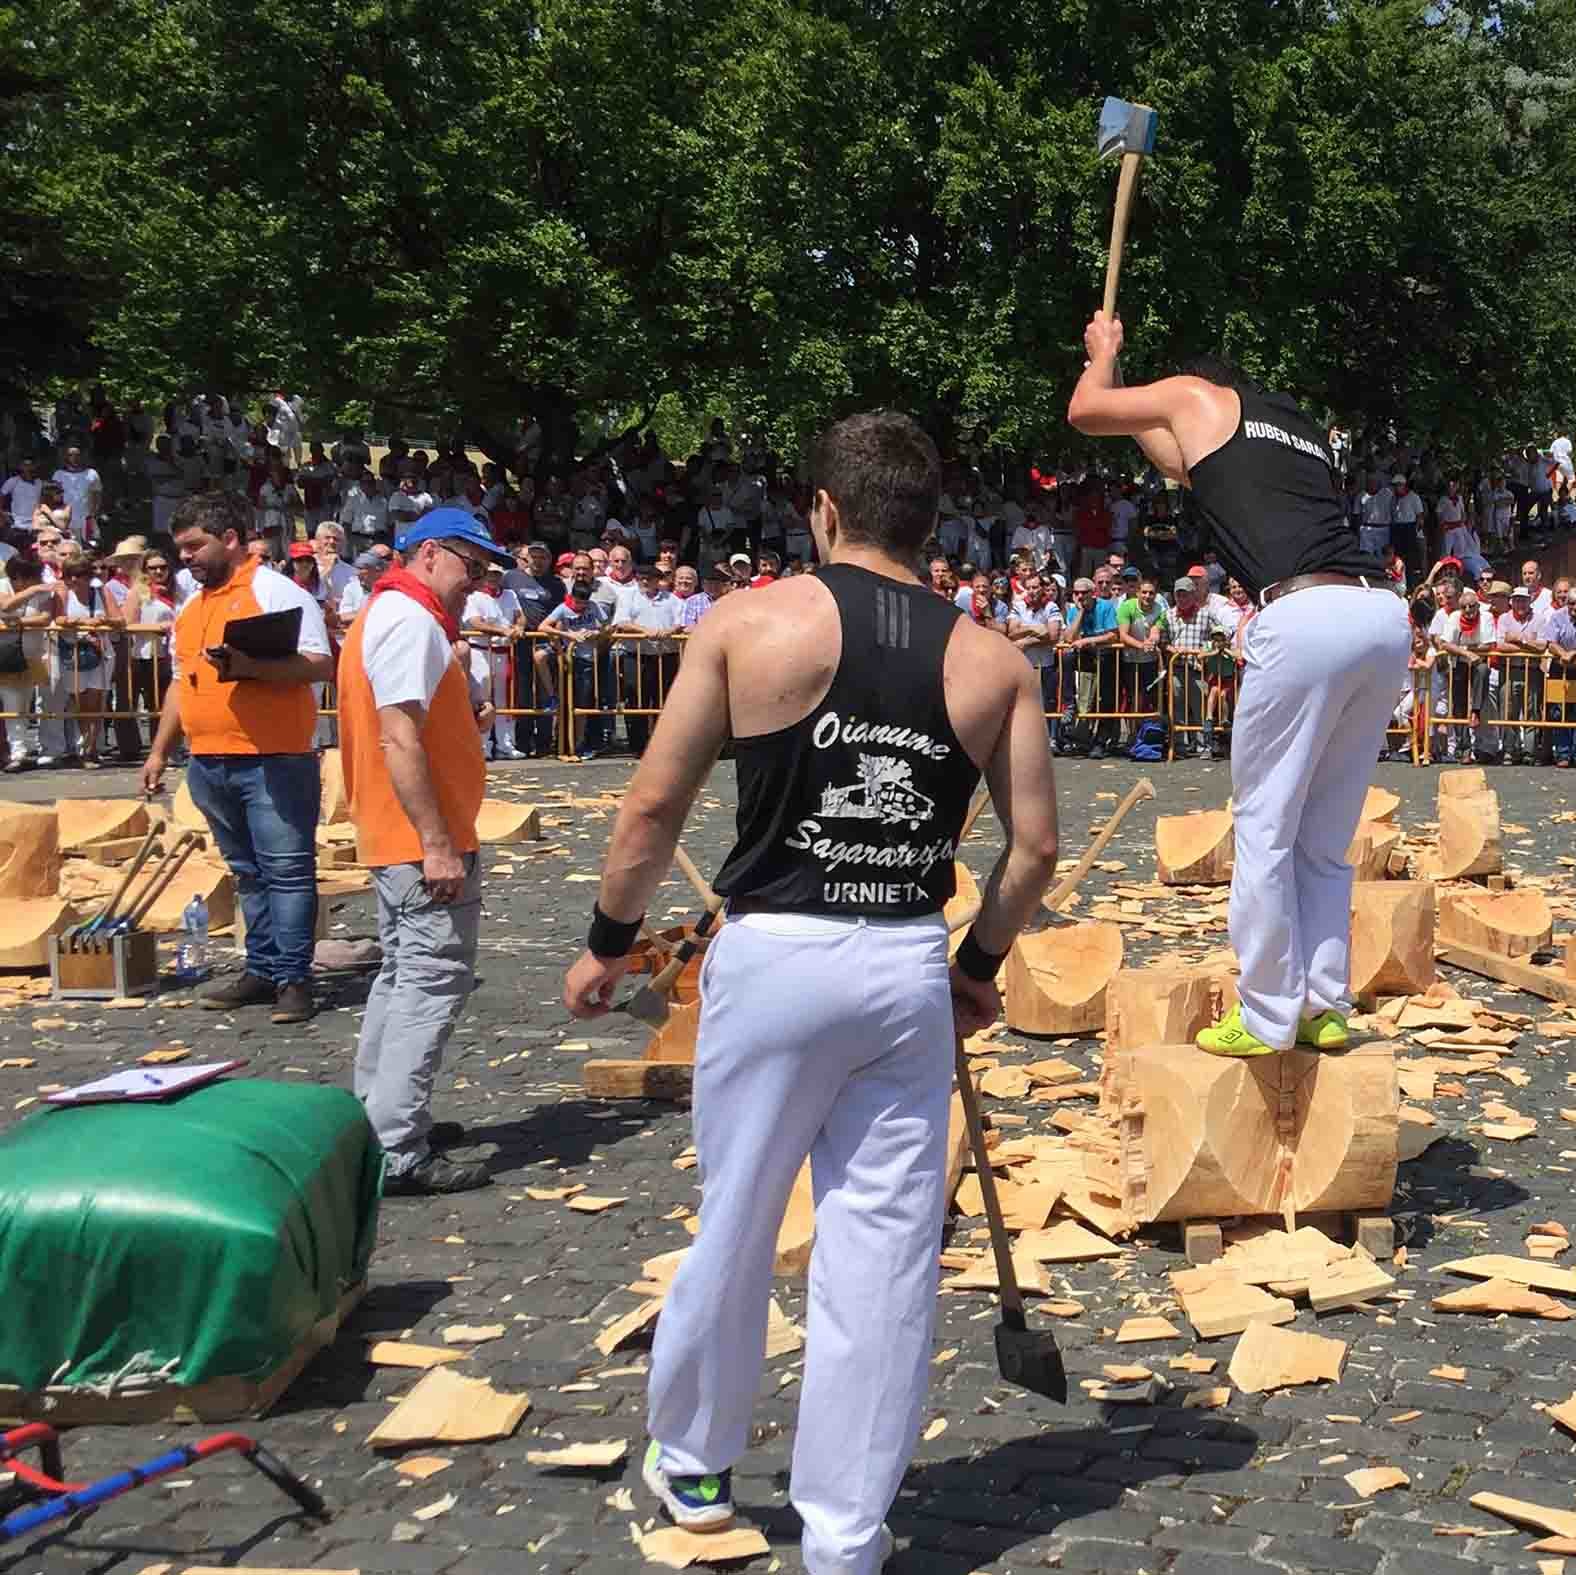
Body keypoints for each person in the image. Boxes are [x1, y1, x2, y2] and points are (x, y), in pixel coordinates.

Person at [562, 411, 1056, 1574]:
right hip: (899, 961)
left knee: (736, 1218)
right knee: (881, 1257)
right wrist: (975, 969)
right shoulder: (994, 662)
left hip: (776, 951)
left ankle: (693, 1464)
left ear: (822, 511)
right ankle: (846, 1534)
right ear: (930, 527)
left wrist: (607, 943)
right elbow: (1032, 849)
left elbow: (651, 808)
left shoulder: (750, 622)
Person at [1067, 312, 1411, 1058]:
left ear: (1197, 379)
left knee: (1262, 826)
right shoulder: (1293, 427)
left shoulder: (1195, 393)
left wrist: (1105, 359)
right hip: (1380, 613)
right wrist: (1130, 393)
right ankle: (1322, 1004)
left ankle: (1264, 1013)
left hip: (1304, 612)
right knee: (1324, 837)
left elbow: (1086, 410)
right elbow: (1174, 461)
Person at [333, 508, 507, 1194]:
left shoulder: (394, 615)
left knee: (403, 976)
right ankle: (398, 1146)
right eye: (472, 565)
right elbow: (398, 739)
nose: (479, 581)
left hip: (396, 834)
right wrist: (437, 842)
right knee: (430, 981)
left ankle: (379, 1120)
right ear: (430, 553)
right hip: (419, 841)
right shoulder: (408, 620)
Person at [141, 494, 334, 1023]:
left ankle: (295, 978)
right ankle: (263, 968)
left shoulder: (274, 591)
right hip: (208, 760)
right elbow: (181, 685)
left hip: (273, 759)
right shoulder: (190, 608)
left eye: (195, 546)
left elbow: (320, 663)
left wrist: (250, 666)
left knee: (287, 872)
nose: (186, 557)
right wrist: (159, 751)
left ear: (229, 539)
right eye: (180, 549)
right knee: (248, 873)